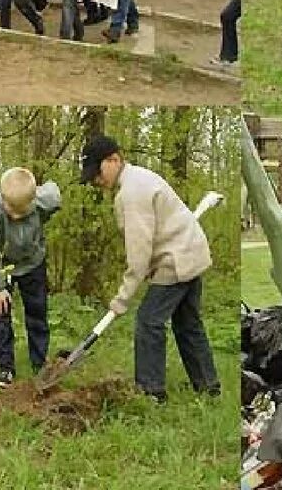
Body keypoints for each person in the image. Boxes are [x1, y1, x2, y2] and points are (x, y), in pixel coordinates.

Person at [80, 135, 220, 403]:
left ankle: (150, 392)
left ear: (114, 160)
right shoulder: (140, 177)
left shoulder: (131, 193)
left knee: (148, 322)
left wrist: (122, 298)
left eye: (97, 172)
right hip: (192, 252)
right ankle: (208, 386)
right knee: (188, 324)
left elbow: (139, 252)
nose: (96, 180)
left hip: (176, 261)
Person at [0, 167, 62, 386]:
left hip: (33, 262)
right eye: (11, 209)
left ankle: (40, 364)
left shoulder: (43, 201)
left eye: (21, 211)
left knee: (37, 312)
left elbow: (54, 194)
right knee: (1, 314)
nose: (15, 215)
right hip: (2, 267)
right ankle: (6, 369)